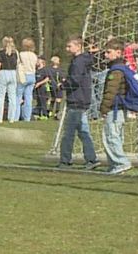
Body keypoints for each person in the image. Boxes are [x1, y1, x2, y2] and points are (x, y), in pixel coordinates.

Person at [56, 38, 100, 170]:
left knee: (69, 133)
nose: (67, 49)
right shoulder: (83, 60)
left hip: (77, 100)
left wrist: (63, 84)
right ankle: (91, 159)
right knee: (83, 131)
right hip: (81, 99)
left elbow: (75, 80)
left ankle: (65, 160)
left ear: (78, 46)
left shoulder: (79, 62)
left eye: (69, 46)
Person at [99, 39, 133, 175]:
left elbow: (111, 92)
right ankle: (114, 165)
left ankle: (121, 162)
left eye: (108, 52)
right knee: (116, 136)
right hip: (120, 109)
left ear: (118, 53)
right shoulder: (122, 68)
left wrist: (104, 108)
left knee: (110, 136)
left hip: (115, 109)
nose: (106, 55)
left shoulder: (116, 71)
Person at [0, 36, 20, 123]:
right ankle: (12, 118)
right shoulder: (15, 53)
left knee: (0, 96)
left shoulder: (0, 53)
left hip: (3, 73)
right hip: (13, 73)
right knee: (12, 97)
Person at [17, 38, 39, 121]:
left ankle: (15, 116)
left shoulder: (21, 54)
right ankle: (27, 117)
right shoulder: (34, 55)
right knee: (29, 98)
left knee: (18, 97)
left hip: (23, 75)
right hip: (32, 75)